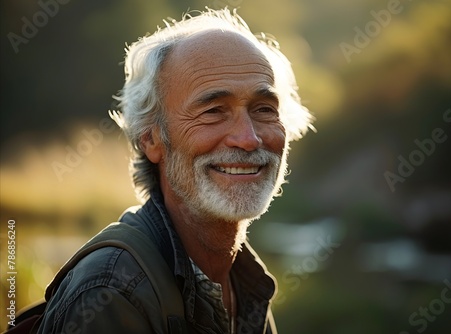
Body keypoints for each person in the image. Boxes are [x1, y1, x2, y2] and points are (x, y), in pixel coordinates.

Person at [36, 8, 313, 334]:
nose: (249, 139)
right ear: (152, 138)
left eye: (264, 109)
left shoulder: (245, 282)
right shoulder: (113, 294)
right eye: (213, 111)